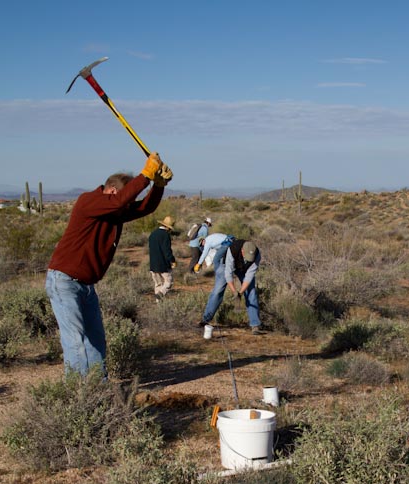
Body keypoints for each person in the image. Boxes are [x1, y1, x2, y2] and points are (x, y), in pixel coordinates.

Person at [45, 153, 172, 376]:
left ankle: (97, 390)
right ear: (112, 190)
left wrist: (158, 185)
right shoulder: (89, 201)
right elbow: (121, 202)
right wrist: (145, 176)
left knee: (95, 340)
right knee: (76, 341)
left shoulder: (113, 212)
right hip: (64, 281)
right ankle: (79, 397)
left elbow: (144, 208)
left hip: (86, 286)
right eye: (125, 199)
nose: (128, 206)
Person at [198, 239, 262, 334]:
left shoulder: (256, 255)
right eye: (247, 256)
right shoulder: (233, 249)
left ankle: (255, 325)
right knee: (218, 290)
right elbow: (228, 273)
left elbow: (249, 276)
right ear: (242, 251)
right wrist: (234, 292)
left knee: (251, 292)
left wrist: (240, 293)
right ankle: (206, 319)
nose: (249, 258)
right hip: (227, 265)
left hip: (244, 269)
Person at [148, 215, 176, 299]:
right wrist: (172, 260)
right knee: (169, 282)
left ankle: (158, 304)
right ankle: (159, 295)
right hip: (162, 264)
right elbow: (167, 251)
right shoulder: (165, 235)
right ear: (168, 227)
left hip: (153, 263)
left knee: (158, 284)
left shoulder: (153, 233)